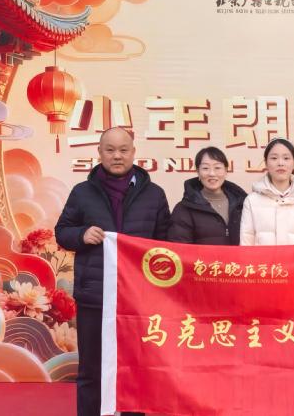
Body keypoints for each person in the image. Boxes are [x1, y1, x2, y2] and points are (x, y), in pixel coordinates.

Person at [55, 127, 170, 416]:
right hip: (95, 294)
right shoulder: (82, 192)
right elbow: (62, 232)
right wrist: (81, 234)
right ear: (99, 153)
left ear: (133, 152)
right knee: (91, 368)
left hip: (138, 298)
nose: (117, 156)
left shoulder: (154, 195)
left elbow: (165, 245)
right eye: (110, 150)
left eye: (123, 150)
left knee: (135, 366)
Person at [168, 146, 247, 245]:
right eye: (205, 168)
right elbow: (180, 248)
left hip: (237, 256)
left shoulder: (242, 204)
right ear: (198, 171)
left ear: (226, 170)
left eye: (217, 168)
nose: (212, 173)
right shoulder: (184, 209)